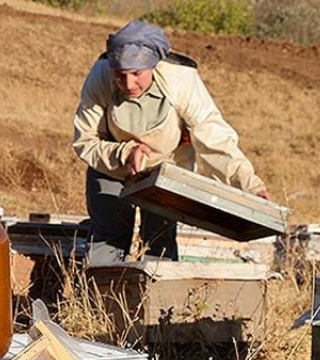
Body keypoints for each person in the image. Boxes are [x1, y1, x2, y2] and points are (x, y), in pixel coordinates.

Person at [72, 20, 270, 264]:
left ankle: (158, 300)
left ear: (153, 65)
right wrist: (125, 153)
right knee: (108, 238)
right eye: (120, 75)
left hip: (168, 168)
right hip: (112, 166)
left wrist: (250, 185)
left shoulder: (181, 79)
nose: (129, 84)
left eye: (137, 74)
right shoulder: (100, 76)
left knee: (160, 240)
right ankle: (102, 299)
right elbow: (84, 141)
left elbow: (214, 137)